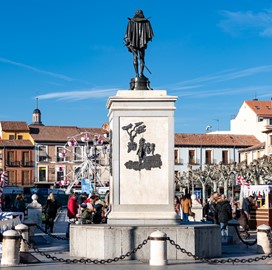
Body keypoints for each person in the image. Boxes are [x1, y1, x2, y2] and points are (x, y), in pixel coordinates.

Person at [124, 9, 154, 78]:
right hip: (142, 42)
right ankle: (140, 74)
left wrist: (127, 40)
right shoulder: (146, 22)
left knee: (135, 58)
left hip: (134, 43)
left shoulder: (131, 22)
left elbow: (127, 35)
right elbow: (149, 34)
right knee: (141, 58)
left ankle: (138, 74)